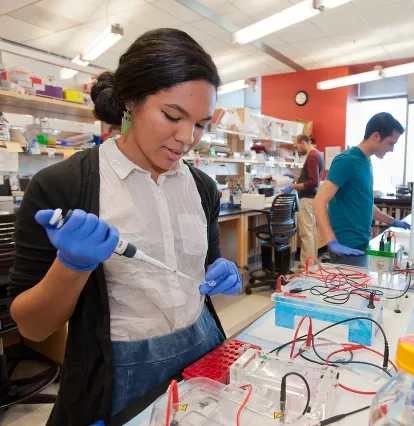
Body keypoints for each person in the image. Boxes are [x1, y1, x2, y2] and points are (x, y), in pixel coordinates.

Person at [8, 29, 241, 425]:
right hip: (118, 372)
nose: (188, 139)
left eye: (201, 124)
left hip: (202, 352)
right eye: (172, 116)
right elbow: (31, 326)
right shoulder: (64, 185)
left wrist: (221, 273)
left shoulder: (202, 187)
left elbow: (206, 269)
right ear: (131, 102)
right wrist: (73, 265)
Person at [313, 113, 410, 266]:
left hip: (362, 242)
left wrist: (392, 221)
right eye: (391, 143)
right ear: (376, 136)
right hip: (345, 247)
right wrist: (332, 241)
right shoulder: (347, 160)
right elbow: (319, 202)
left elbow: (364, 202)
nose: (391, 149)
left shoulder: (366, 161)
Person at [283, 135, 323, 269]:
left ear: (303, 143)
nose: (296, 150)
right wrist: (295, 177)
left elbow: (313, 182)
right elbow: (309, 177)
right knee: (311, 232)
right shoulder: (317, 154)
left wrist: (293, 186)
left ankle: (306, 267)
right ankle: (311, 265)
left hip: (306, 199)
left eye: (296, 147)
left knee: (306, 234)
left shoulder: (312, 156)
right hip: (312, 198)